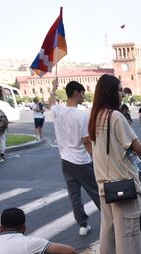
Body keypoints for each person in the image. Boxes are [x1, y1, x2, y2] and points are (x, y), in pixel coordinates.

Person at [88, 74, 141, 254]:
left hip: (104, 184)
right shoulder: (115, 116)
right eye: (119, 89)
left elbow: (89, 143)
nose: (121, 93)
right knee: (128, 235)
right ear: (111, 92)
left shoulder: (95, 115)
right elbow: (138, 148)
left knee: (108, 232)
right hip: (123, 184)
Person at [49, 80, 101, 236]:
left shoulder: (58, 111)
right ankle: (110, 219)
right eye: (83, 93)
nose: (84, 96)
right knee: (96, 192)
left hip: (65, 160)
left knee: (74, 195)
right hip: (81, 160)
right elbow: (86, 140)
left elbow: (51, 102)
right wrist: (94, 156)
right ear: (77, 93)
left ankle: (82, 224)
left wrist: (53, 88)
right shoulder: (81, 114)